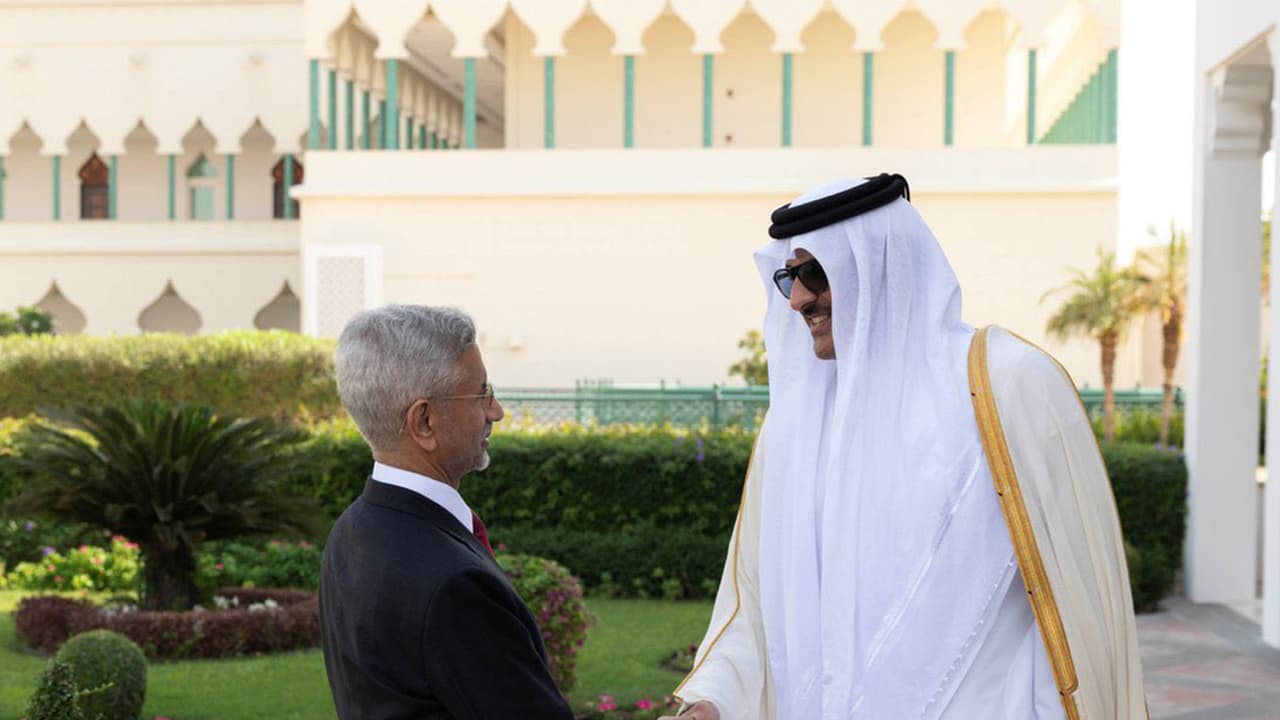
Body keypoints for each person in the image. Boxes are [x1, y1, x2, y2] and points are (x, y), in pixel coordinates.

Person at [664, 174, 1147, 720]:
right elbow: (753, 603)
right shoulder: (791, 427)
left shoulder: (1006, 384)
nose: (798, 299)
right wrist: (712, 701)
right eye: (788, 277)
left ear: (878, 266)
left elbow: (1077, 601)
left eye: (815, 273)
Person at [319, 304, 573, 720]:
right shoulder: (455, 583)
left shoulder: (352, 529)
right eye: (481, 394)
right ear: (424, 421)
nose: (496, 411)